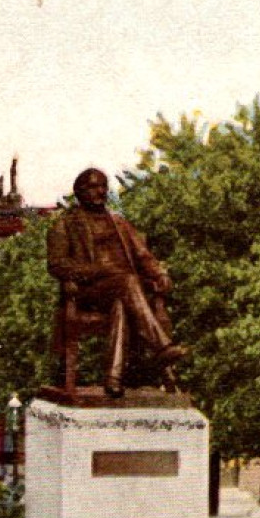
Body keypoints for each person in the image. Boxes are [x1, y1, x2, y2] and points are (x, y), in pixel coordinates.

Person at [46, 167, 187, 397]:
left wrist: (159, 274)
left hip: (124, 292)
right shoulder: (66, 224)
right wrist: (97, 270)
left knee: (122, 302)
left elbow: (143, 256)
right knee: (127, 282)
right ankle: (161, 346)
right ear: (80, 191)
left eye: (104, 186)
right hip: (89, 291)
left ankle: (113, 378)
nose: (101, 191)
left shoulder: (119, 223)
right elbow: (57, 264)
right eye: (94, 186)